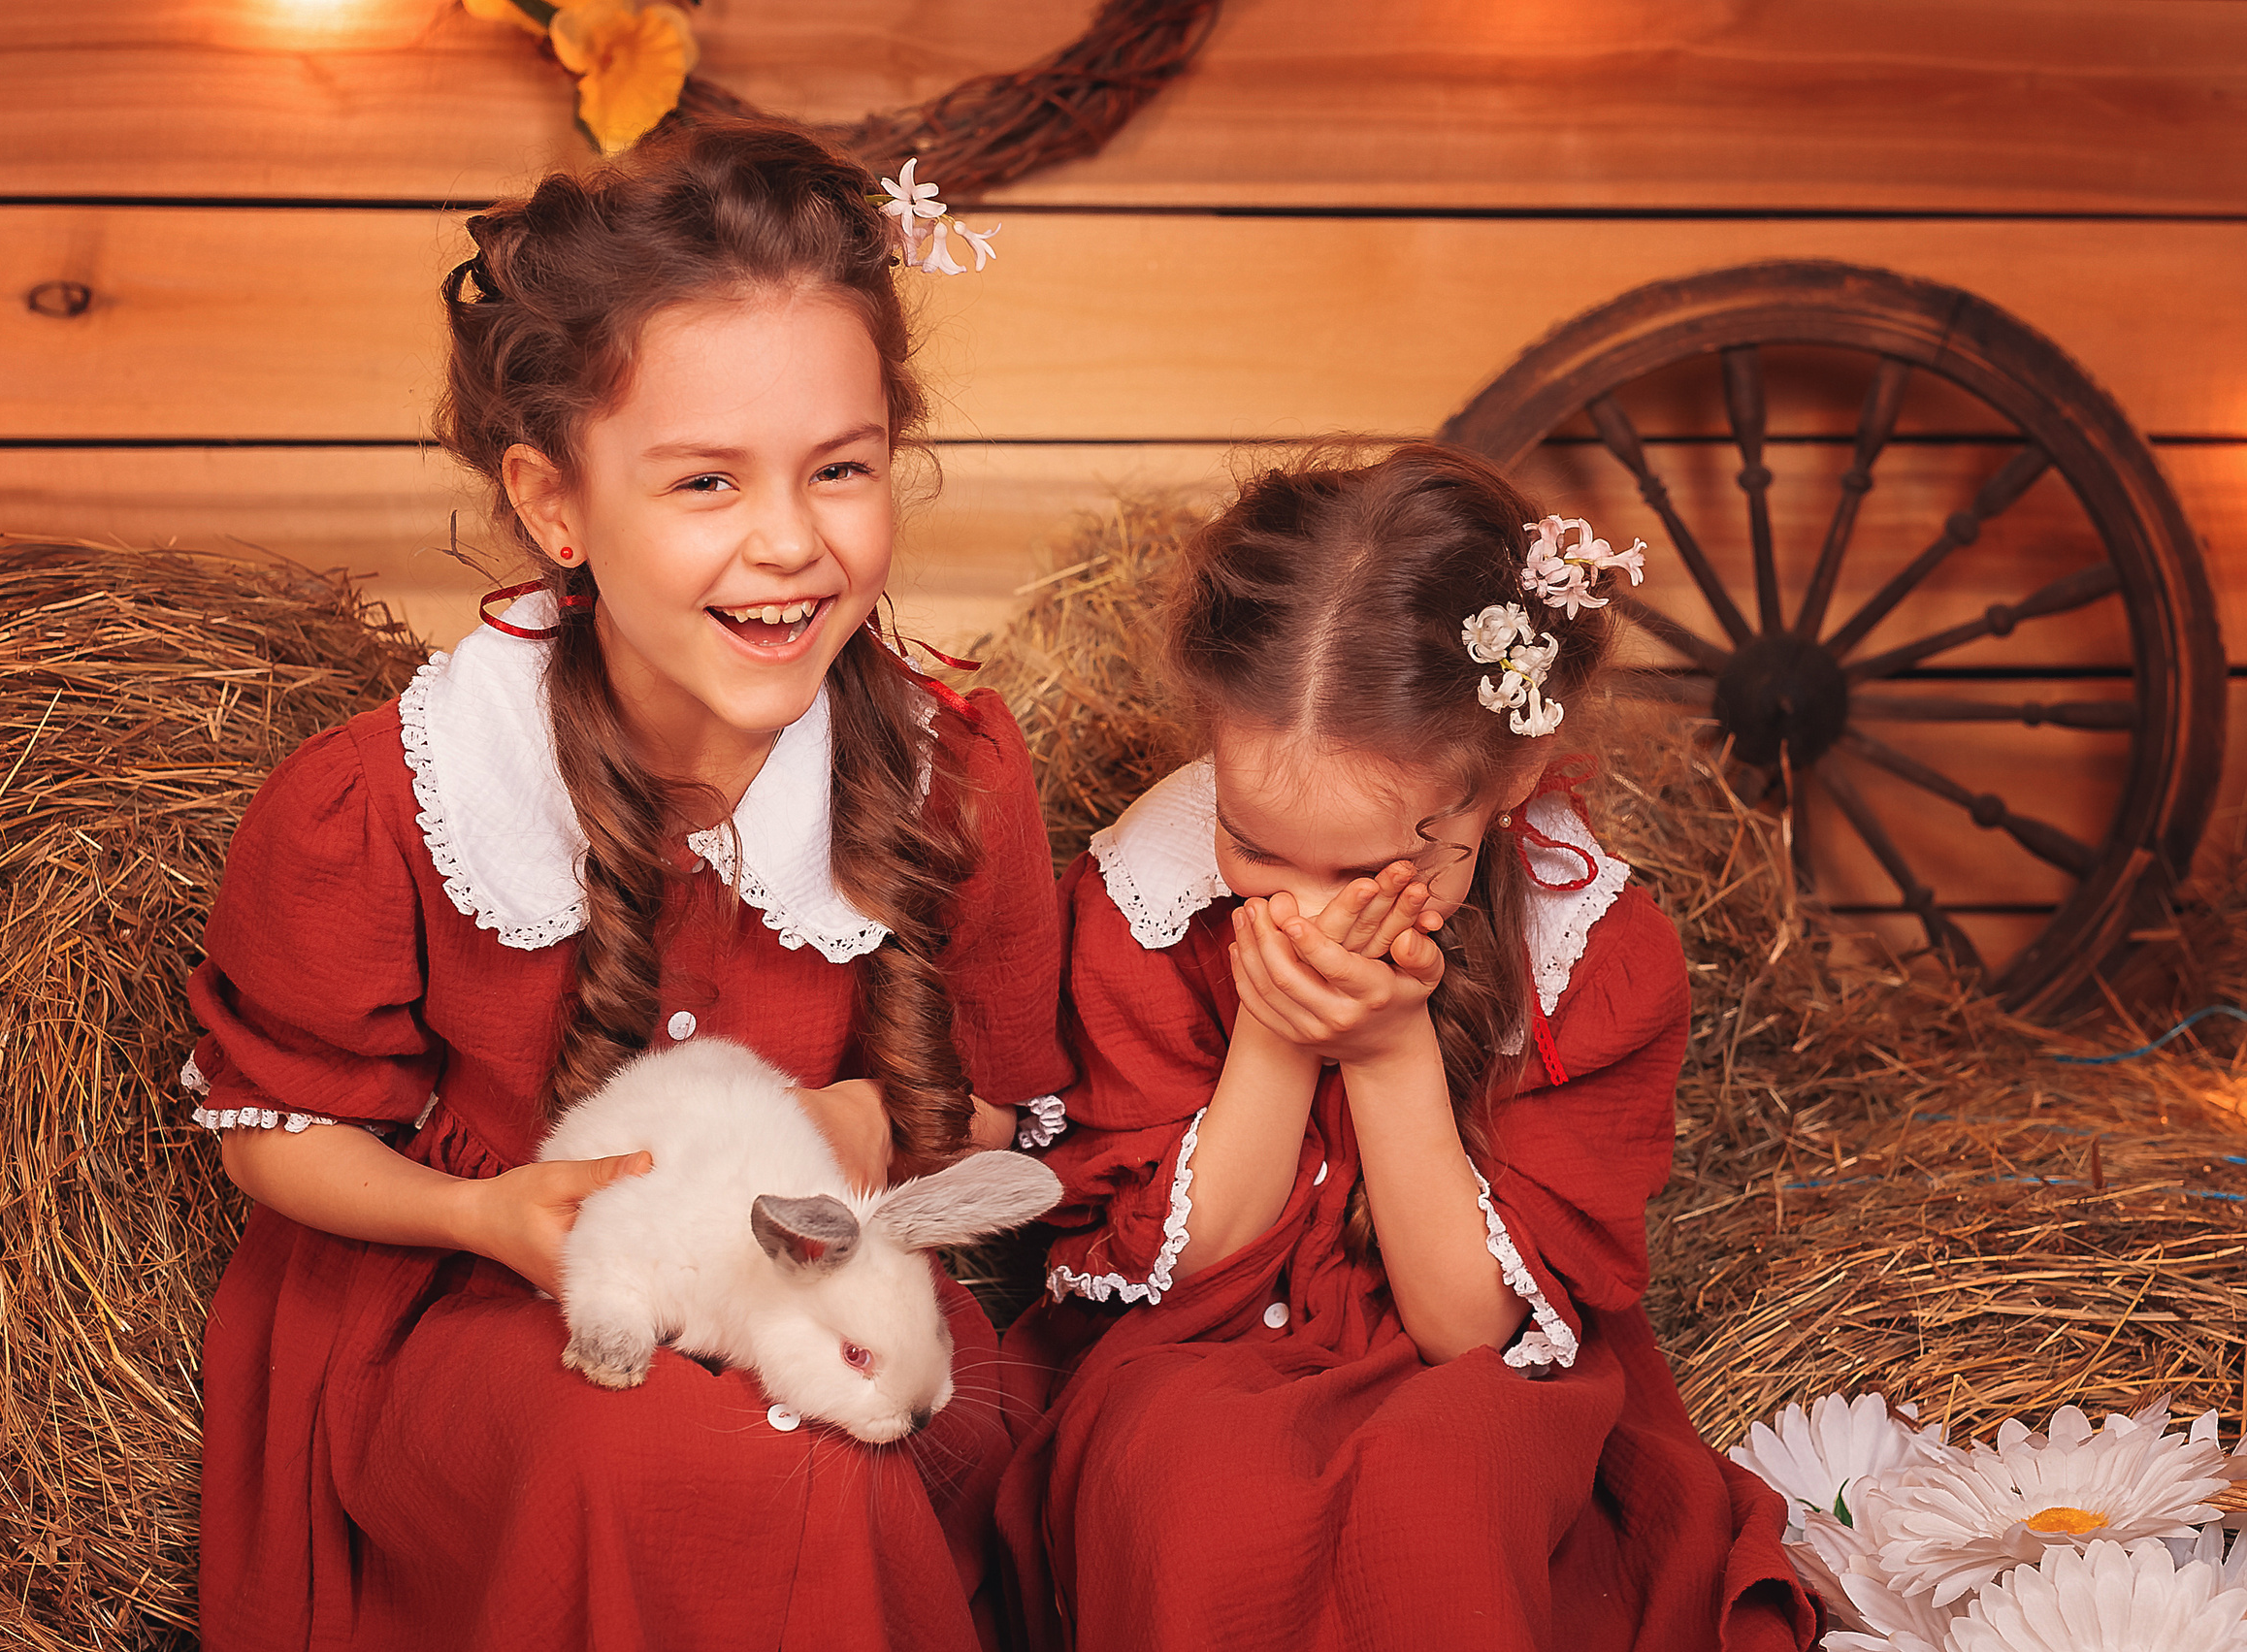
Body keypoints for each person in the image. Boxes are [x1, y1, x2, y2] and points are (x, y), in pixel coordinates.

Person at [179, 120, 1071, 1652]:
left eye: (841, 468)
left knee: (843, 1448)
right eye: (707, 479)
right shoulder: (393, 797)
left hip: (818, 1290)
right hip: (482, 1306)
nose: (790, 539)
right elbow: (280, 1134)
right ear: (556, 503)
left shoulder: (958, 779)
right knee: (668, 1455)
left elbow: (996, 1099)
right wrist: (494, 1215)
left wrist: (858, 1126)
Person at [995, 444, 1814, 1651]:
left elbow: (1465, 1330)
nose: (1314, 911)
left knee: (1439, 1498)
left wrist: (1385, 1052)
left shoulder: (1595, 947)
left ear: (1513, 773)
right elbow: (1172, 1274)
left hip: (1475, 1350)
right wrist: (1274, 1036)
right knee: (1193, 1487)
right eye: (1256, 846)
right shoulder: (1140, 902)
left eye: (1369, 865)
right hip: (1196, 1336)